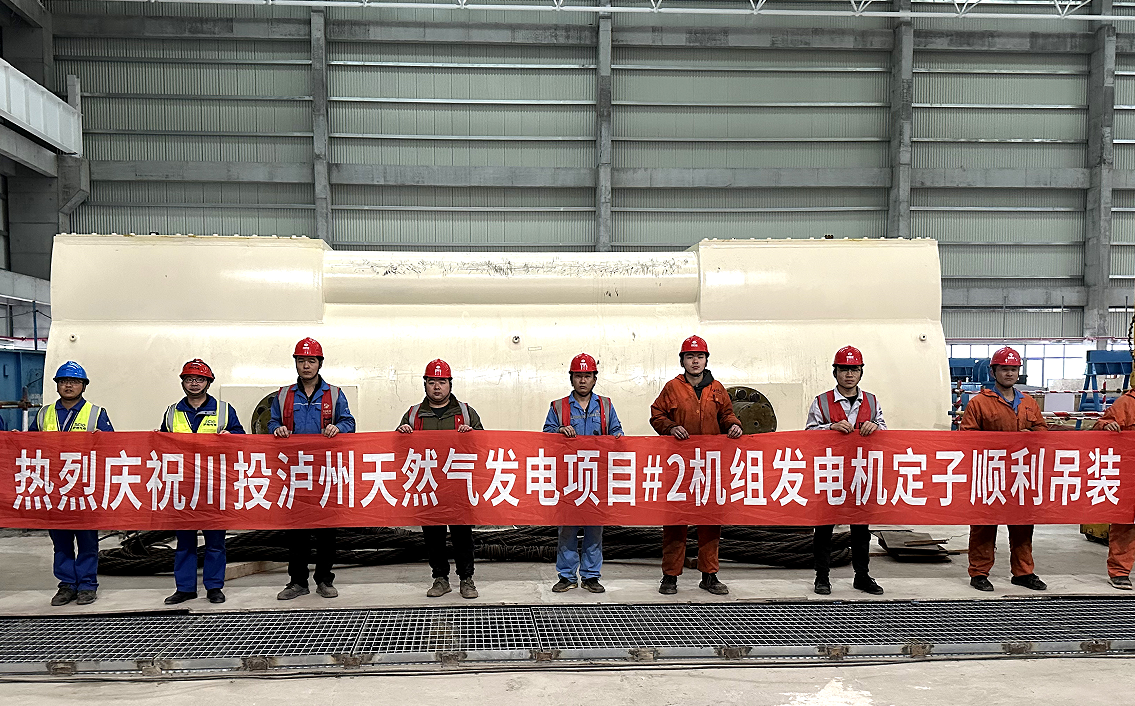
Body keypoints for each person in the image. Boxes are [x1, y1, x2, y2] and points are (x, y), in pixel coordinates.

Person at [649, 335, 743, 596]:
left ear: (706, 360)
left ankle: (709, 575)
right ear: (683, 361)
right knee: (675, 522)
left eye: (699, 356)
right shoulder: (672, 388)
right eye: (690, 357)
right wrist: (671, 427)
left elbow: (727, 414)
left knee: (710, 522)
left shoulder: (717, 389)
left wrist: (734, 425)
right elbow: (656, 414)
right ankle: (670, 576)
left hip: (710, 468)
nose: (695, 361)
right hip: (679, 468)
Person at [269, 337, 355, 600]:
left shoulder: (335, 394)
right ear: (295, 363)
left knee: (326, 531)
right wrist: (277, 429)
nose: (306, 365)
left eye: (311, 360)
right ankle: (297, 582)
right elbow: (271, 423)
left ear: (320, 363)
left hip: (325, 473)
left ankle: (324, 580)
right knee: (297, 532)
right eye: (301, 360)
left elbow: (349, 423)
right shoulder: (283, 395)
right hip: (294, 474)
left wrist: (338, 427)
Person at [958, 346, 1047, 592]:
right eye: (1004, 369)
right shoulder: (979, 403)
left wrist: (1032, 434)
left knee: (1023, 525)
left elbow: (1042, 431)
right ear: (993, 371)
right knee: (984, 525)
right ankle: (979, 573)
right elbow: (967, 437)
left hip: (1021, 475)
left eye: (1013, 369)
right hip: (990, 474)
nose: (1009, 373)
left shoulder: (1028, 403)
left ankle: (1023, 572)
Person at [160, 359, 245, 605]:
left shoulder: (224, 410)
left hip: (214, 485)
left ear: (208, 382)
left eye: (199, 379)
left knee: (215, 541)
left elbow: (241, 438)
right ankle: (185, 588)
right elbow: (162, 444)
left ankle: (214, 587)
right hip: (184, 485)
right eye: (189, 379)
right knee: (185, 541)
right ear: (183, 383)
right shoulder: (172, 412)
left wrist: (231, 436)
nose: (194, 383)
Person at [398, 358, 484, 599]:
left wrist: (472, 435)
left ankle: (466, 579)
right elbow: (398, 450)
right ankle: (440, 579)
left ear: (450, 384)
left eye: (442, 382)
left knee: (462, 536)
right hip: (428, 485)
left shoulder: (466, 413)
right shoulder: (414, 415)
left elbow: (483, 446)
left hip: (458, 486)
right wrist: (401, 434)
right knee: (433, 535)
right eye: (432, 382)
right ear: (425, 384)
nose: (437, 387)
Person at [31, 361, 113, 606]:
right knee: (61, 542)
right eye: (64, 381)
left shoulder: (96, 413)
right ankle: (66, 585)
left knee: (87, 541)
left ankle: (87, 585)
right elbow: (30, 445)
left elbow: (111, 448)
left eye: (75, 381)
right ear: (57, 385)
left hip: (84, 487)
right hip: (53, 488)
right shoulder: (44, 414)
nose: (69, 385)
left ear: (83, 386)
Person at [806, 345, 885, 596]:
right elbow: (809, 434)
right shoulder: (821, 402)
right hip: (830, 474)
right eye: (844, 369)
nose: (849, 374)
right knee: (824, 529)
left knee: (861, 530)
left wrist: (875, 427)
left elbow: (885, 431)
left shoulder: (871, 401)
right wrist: (829, 428)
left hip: (860, 473)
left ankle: (862, 576)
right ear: (835, 372)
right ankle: (822, 577)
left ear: (861, 372)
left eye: (854, 369)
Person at [543, 353, 624, 594]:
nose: (582, 380)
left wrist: (617, 437)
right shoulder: (558, 407)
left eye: (587, 376)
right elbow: (545, 436)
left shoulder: (606, 406)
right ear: (571, 378)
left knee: (594, 529)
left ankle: (591, 576)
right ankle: (567, 576)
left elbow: (617, 432)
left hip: (596, 478)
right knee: (567, 528)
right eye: (578, 376)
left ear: (594, 379)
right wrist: (559, 430)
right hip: (568, 478)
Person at [1093, 385, 1135, 590]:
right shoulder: (1126, 403)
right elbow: (1100, 425)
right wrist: (1106, 426)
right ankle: (1120, 571)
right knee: (1126, 523)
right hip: (1130, 473)